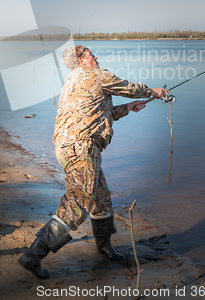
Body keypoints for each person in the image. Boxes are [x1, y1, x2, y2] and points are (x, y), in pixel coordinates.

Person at [19, 45, 168, 279]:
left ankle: (104, 246)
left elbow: (99, 113)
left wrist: (128, 108)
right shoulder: (97, 75)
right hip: (82, 148)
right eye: (91, 55)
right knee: (77, 204)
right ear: (81, 60)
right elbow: (127, 87)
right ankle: (33, 256)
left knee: (100, 197)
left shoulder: (74, 80)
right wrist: (154, 92)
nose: (96, 57)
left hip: (72, 147)